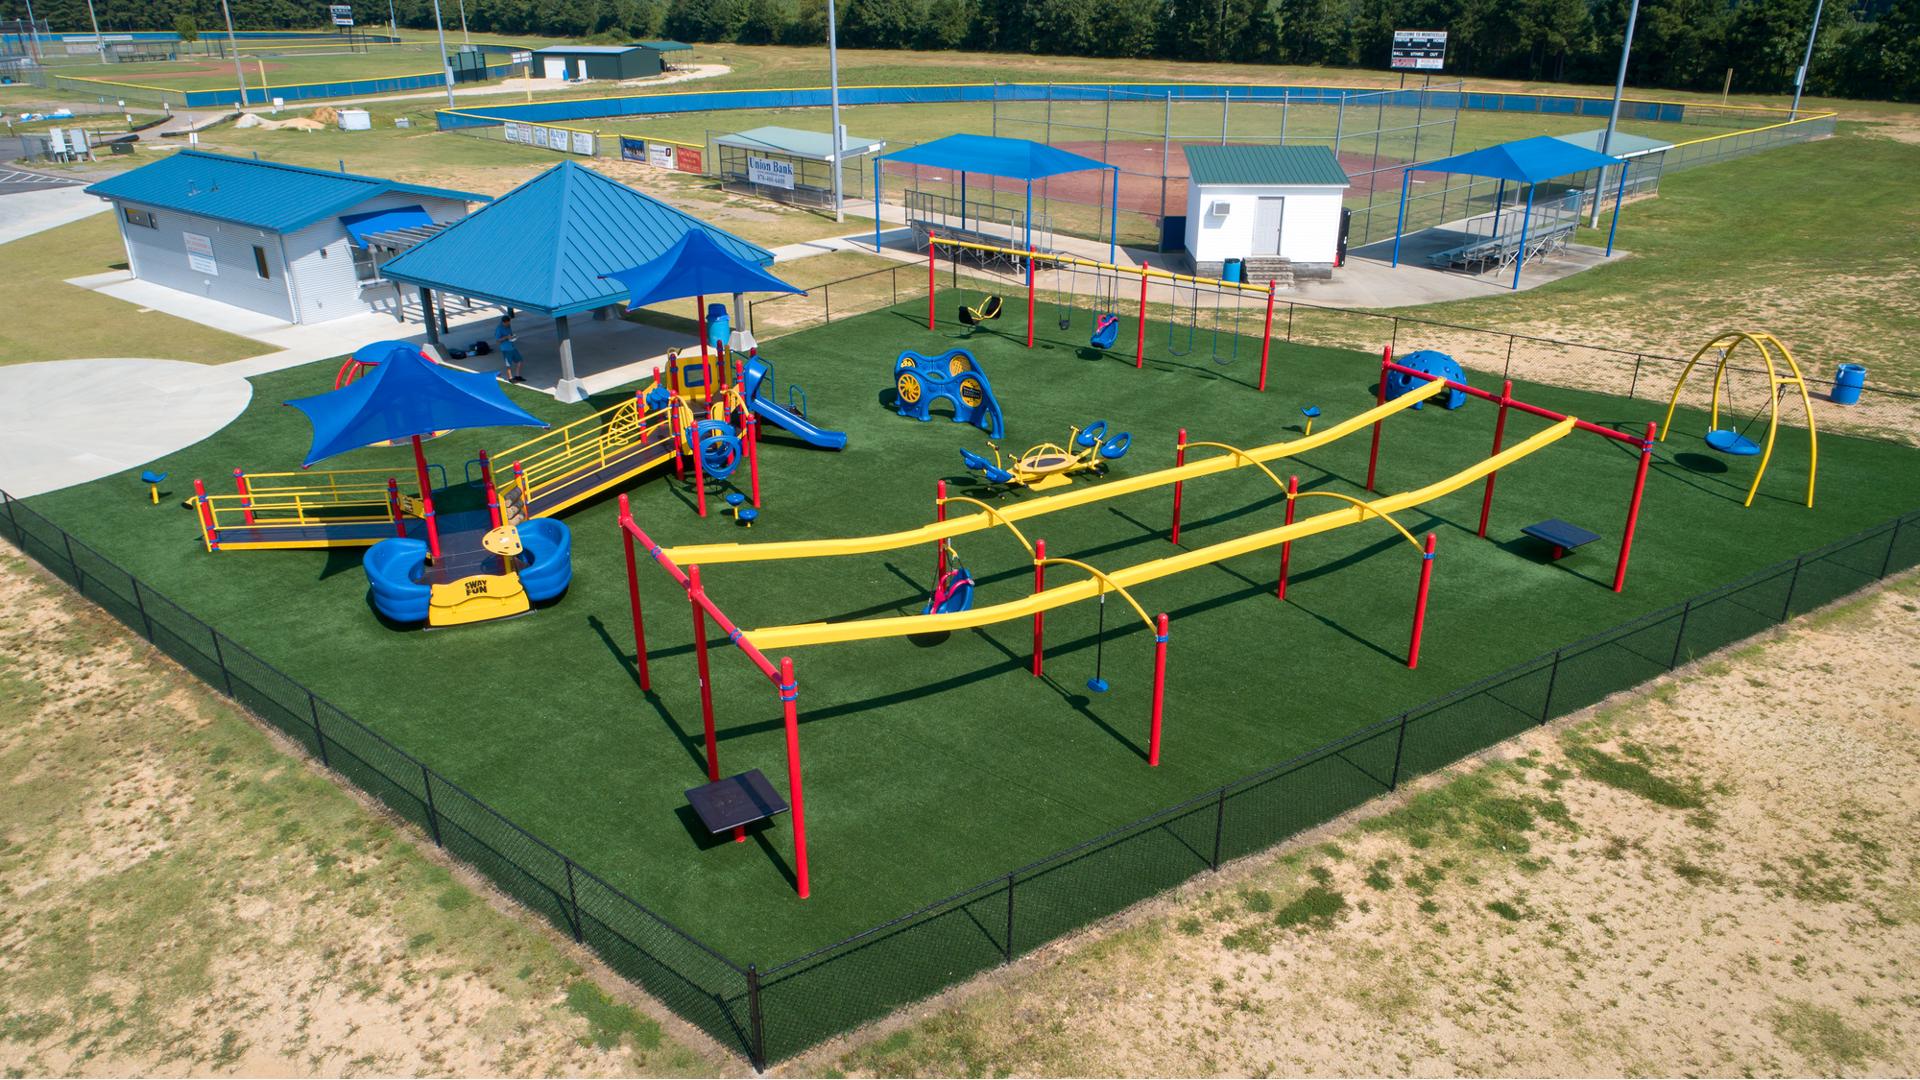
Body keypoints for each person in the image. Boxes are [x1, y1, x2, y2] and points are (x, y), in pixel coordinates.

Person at [496, 314, 525, 383]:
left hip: (512, 347)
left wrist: (513, 336)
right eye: (508, 323)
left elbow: (510, 335)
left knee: (519, 361)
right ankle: (510, 378)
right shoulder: (499, 329)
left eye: (509, 322)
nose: (509, 324)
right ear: (504, 322)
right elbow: (497, 340)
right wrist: (506, 337)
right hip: (505, 349)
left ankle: (517, 376)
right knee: (508, 364)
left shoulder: (508, 326)